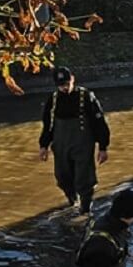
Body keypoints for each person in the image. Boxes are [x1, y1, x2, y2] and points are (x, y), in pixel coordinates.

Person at [39, 66, 110, 214]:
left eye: (66, 84)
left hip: (82, 144)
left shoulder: (86, 96)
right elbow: (47, 124)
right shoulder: (53, 100)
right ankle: (72, 200)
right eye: (60, 85)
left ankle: (85, 208)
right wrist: (43, 146)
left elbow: (100, 122)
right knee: (62, 177)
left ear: (72, 79)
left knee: (84, 179)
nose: (64, 88)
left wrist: (103, 147)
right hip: (61, 145)